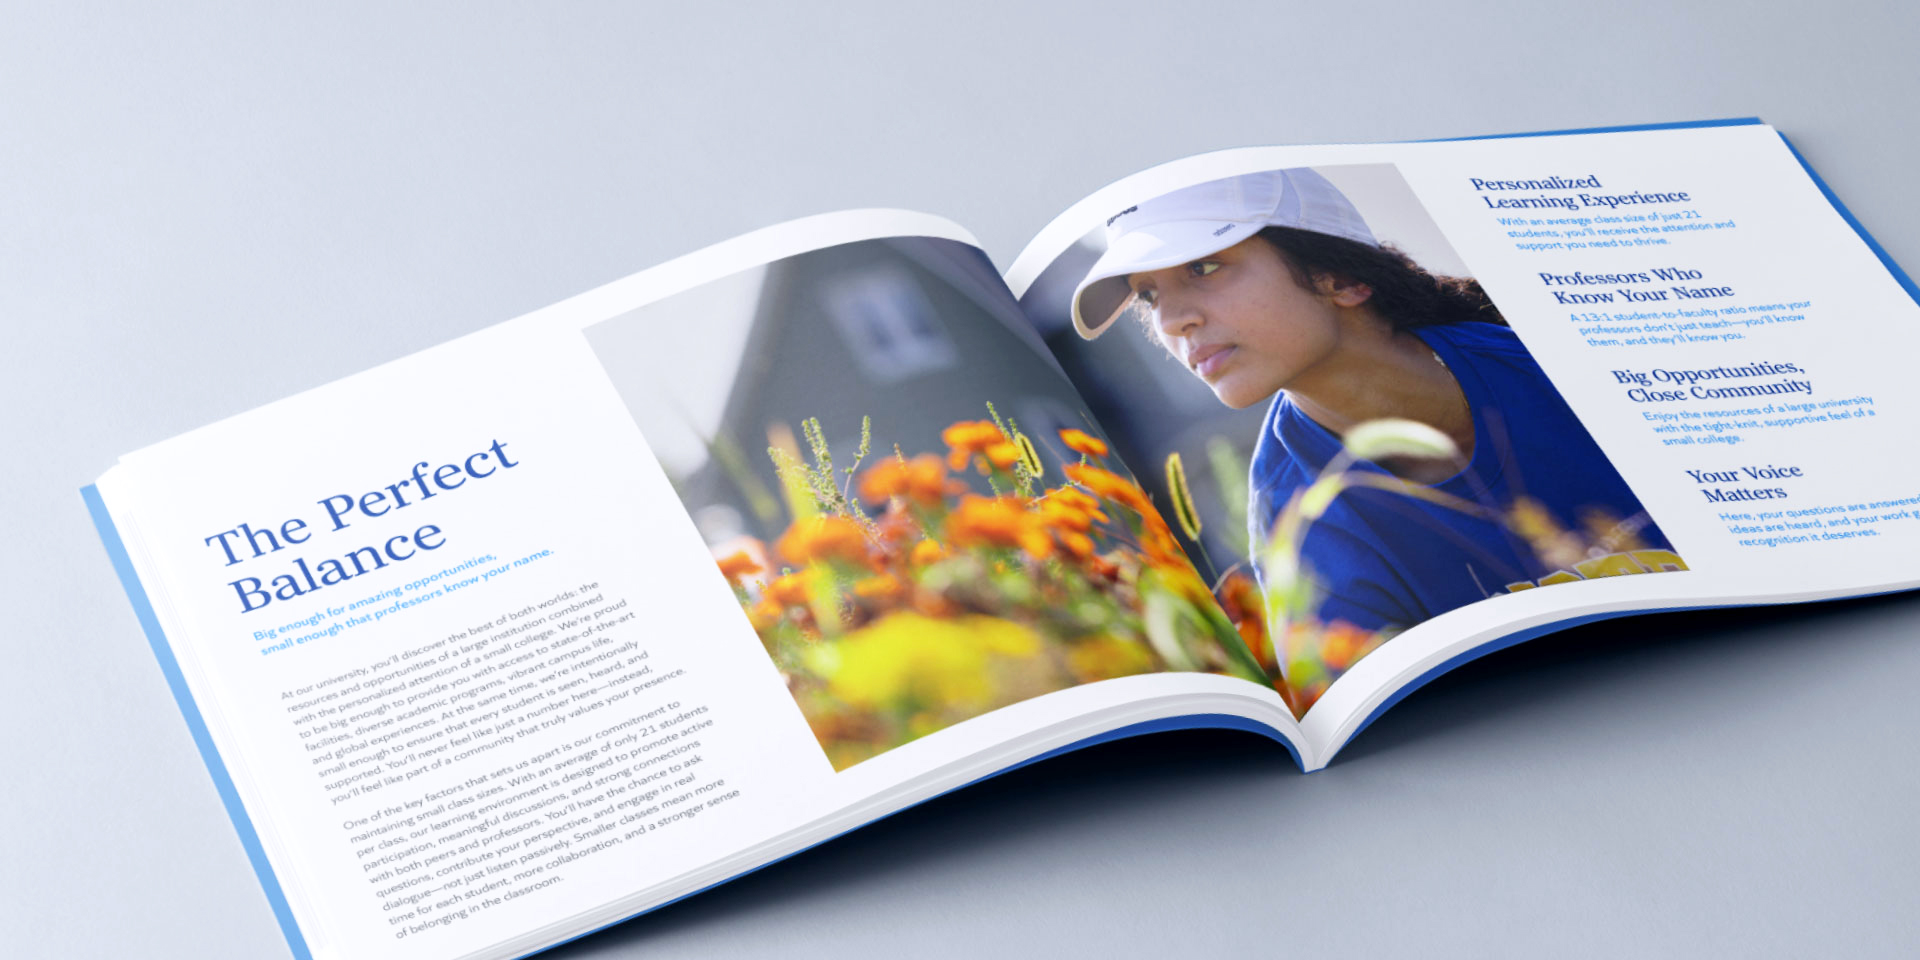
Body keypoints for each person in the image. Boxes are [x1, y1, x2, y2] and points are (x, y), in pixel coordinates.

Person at [1069, 168, 1681, 633]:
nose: (1172, 321)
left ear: (1341, 277)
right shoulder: (1298, 525)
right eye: (1148, 296)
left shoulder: (1568, 356)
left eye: (1204, 267)